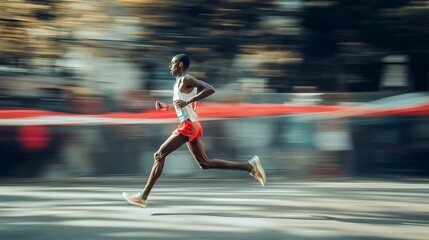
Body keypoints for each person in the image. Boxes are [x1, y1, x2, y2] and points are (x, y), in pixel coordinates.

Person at [122, 54, 266, 208]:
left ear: (181, 65)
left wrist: (188, 101)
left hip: (188, 126)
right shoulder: (178, 82)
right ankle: (250, 166)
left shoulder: (186, 79)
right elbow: (183, 105)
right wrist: (167, 107)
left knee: (159, 155)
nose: (170, 66)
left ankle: (143, 197)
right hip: (191, 125)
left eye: (173, 63)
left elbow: (210, 89)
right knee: (204, 163)